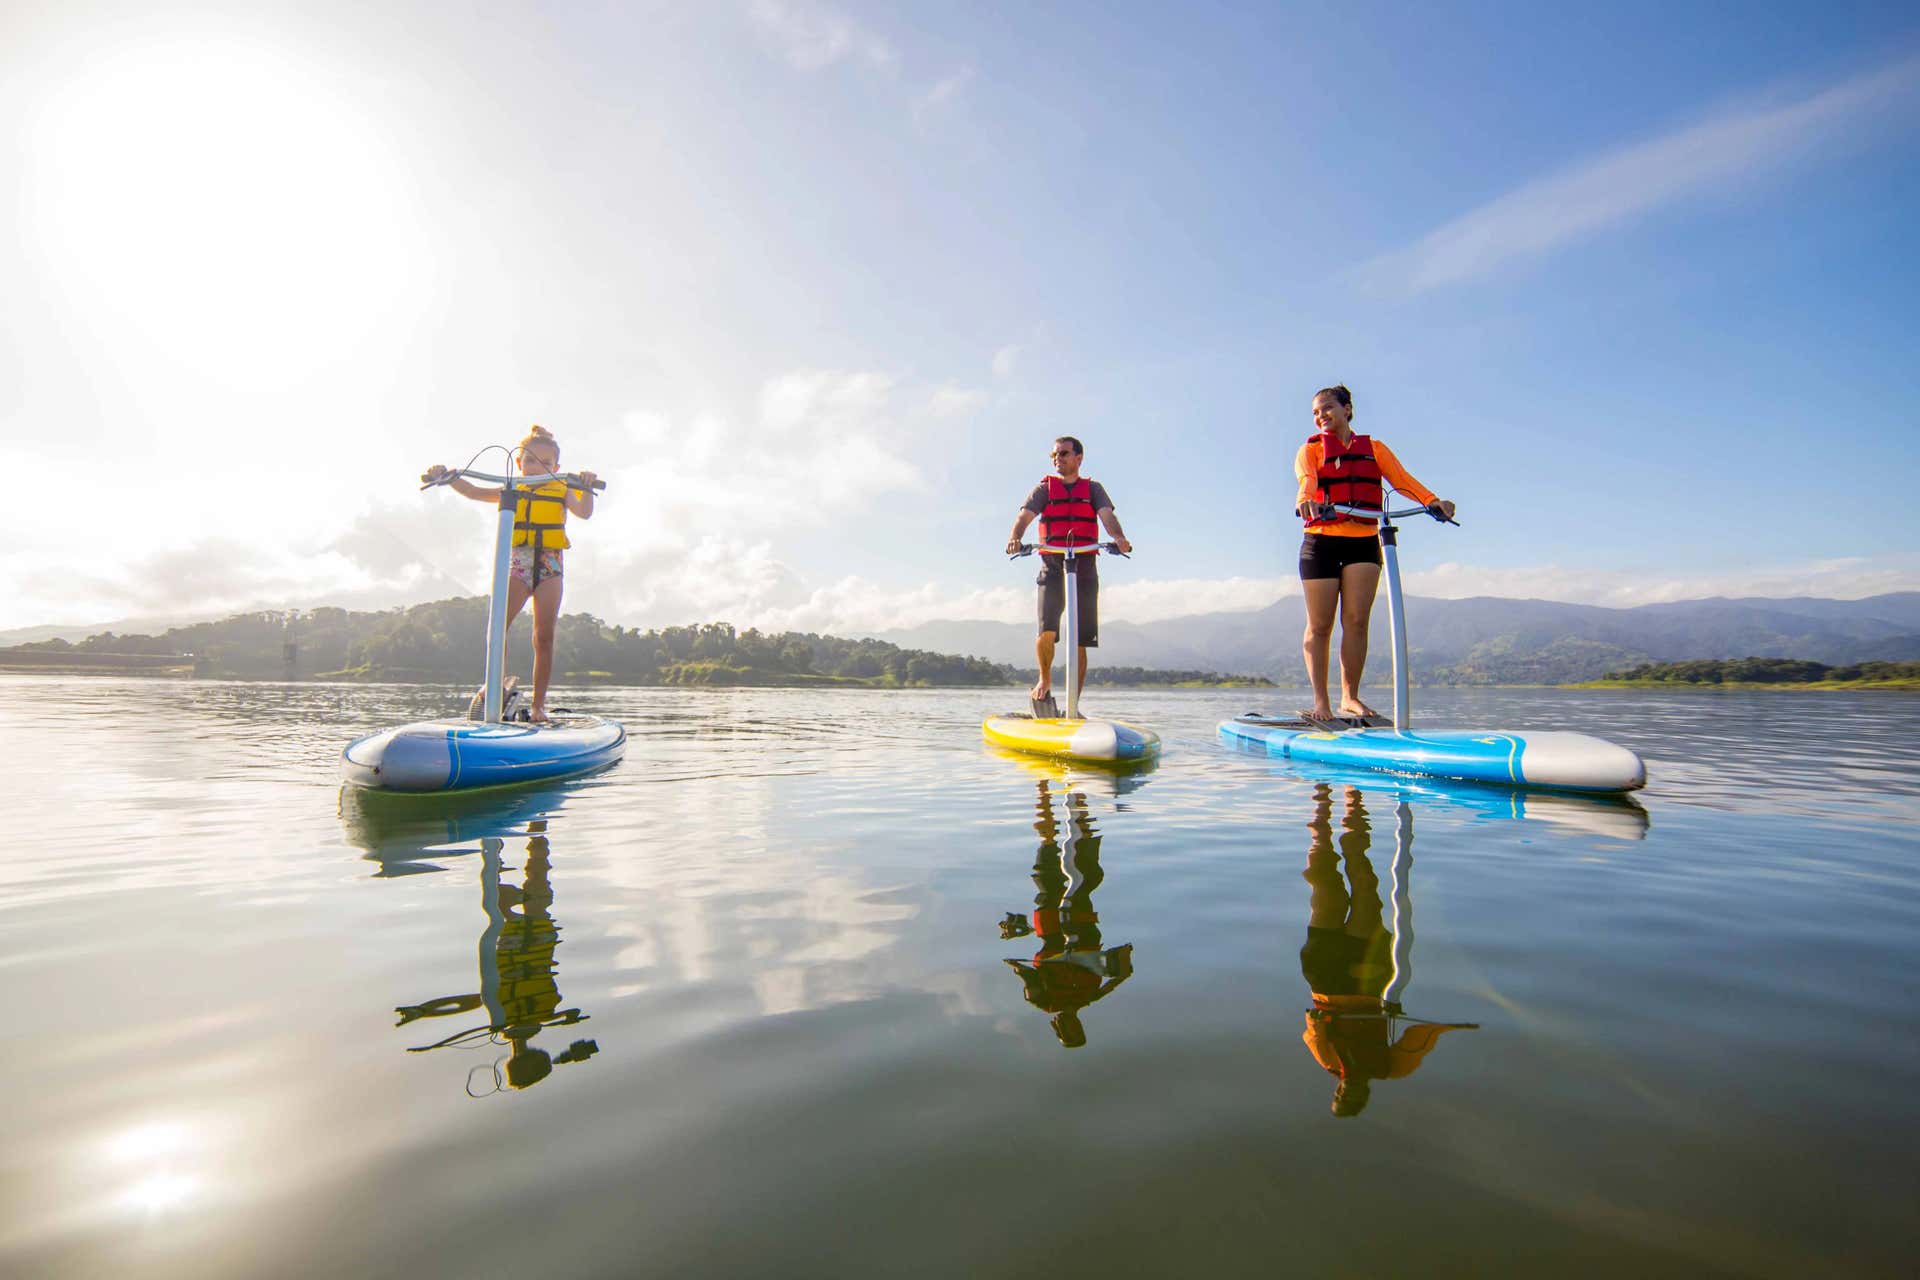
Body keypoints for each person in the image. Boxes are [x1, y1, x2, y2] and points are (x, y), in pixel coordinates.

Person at [1294, 385, 1453, 721]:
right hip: (1321, 540)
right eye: (1315, 412)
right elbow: (1307, 481)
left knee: (1356, 621)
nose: (1321, 416)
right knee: (1320, 625)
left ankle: (1349, 698)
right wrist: (1305, 503)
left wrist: (1432, 502)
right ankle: (1321, 703)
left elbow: (1403, 481)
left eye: (1327, 408)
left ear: (1347, 409)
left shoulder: (1375, 450)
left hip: (1364, 540)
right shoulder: (1310, 451)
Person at [427, 425, 597, 723]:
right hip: (517, 565)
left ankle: (539, 706)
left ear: (556, 468)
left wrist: (585, 486)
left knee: (543, 636)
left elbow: (584, 512)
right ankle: (496, 686)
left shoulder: (563, 489)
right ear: (519, 464)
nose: (536, 468)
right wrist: (448, 477)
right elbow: (472, 491)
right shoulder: (511, 489)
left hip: (549, 567)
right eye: (530, 461)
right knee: (497, 626)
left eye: (545, 463)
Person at [1004, 436, 1131, 704]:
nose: (1057, 459)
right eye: (1054, 455)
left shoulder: (1094, 489)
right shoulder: (1043, 490)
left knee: (1080, 639)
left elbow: (1107, 516)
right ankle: (1045, 679)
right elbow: (1024, 517)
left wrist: (1119, 538)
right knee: (1046, 630)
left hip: (1084, 565)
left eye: (1063, 454)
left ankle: (1074, 702)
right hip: (1052, 564)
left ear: (1078, 458)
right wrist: (1015, 538)